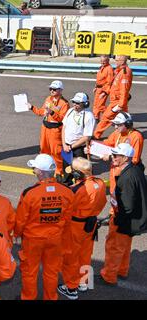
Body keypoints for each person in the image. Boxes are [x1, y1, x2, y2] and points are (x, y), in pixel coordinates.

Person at [15, 154, 74, 300]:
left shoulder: (29, 193)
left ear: (41, 172)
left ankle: (28, 298)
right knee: (51, 271)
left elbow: (21, 220)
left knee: (29, 271)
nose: (33, 170)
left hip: (32, 240)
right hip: (55, 238)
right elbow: (67, 219)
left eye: (34, 168)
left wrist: (16, 234)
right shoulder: (67, 192)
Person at [58, 157, 107, 300]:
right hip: (91, 224)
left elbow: (65, 209)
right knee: (85, 254)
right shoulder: (100, 183)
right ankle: (84, 282)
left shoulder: (76, 190)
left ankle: (71, 288)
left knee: (70, 256)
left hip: (75, 226)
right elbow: (103, 202)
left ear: (77, 174)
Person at [100, 143, 147, 285]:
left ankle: (109, 276)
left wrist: (118, 221)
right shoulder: (135, 169)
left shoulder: (126, 178)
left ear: (125, 157)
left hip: (124, 220)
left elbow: (127, 206)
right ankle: (122, 270)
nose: (112, 157)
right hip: (132, 221)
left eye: (115, 155)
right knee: (124, 247)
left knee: (114, 248)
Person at [87, 112, 144, 196]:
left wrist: (111, 158)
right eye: (115, 124)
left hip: (126, 173)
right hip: (115, 169)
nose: (116, 127)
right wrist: (91, 147)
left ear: (128, 124)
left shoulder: (136, 136)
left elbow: (134, 160)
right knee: (114, 194)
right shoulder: (117, 133)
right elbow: (107, 143)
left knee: (124, 196)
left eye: (119, 124)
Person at [27, 80, 70, 175]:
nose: (52, 91)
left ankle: (59, 172)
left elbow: (62, 119)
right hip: (45, 128)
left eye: (54, 89)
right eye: (51, 88)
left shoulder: (64, 103)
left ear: (60, 90)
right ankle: (43, 167)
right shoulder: (48, 99)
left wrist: (52, 113)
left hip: (55, 130)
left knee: (56, 151)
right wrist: (32, 108)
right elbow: (41, 112)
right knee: (43, 149)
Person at [94, 55, 133, 139]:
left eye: (117, 60)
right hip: (117, 100)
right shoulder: (119, 71)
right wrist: (105, 92)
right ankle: (129, 134)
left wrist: (120, 105)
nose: (115, 62)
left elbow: (124, 90)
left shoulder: (124, 73)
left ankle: (96, 135)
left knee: (106, 117)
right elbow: (112, 85)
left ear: (122, 62)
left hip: (118, 101)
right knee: (125, 119)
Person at [61, 92, 96, 184]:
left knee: (80, 173)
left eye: (77, 103)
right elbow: (64, 127)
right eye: (74, 102)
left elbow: (87, 137)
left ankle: (81, 190)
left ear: (85, 104)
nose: (75, 105)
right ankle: (67, 187)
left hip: (78, 149)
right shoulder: (70, 111)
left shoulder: (88, 116)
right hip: (66, 147)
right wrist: (64, 144)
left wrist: (71, 147)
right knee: (67, 170)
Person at [93, 55, 114, 121]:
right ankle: (96, 117)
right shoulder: (102, 67)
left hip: (103, 90)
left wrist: (105, 92)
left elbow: (109, 82)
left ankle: (111, 116)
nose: (102, 62)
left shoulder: (109, 69)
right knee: (96, 104)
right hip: (98, 89)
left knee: (100, 106)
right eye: (101, 61)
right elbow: (99, 79)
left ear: (108, 61)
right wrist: (96, 87)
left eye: (104, 61)